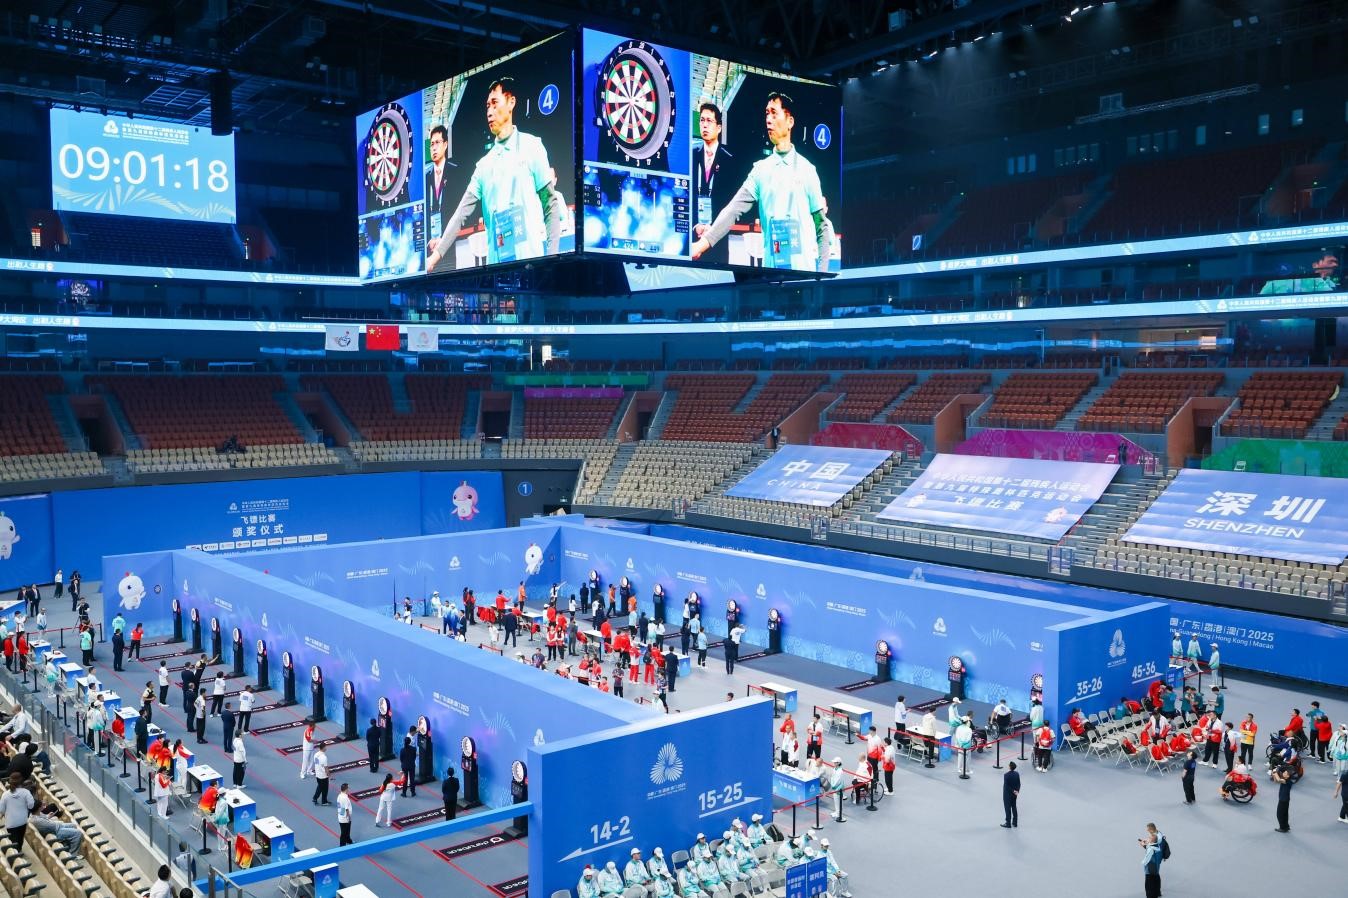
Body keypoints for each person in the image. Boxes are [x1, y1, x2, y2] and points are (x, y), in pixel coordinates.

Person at [426, 77, 565, 272]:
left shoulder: (533, 146)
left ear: (511, 102)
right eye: (487, 106)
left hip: (532, 268)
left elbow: (550, 205)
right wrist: (434, 258)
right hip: (497, 272)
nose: (489, 112)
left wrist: (551, 258)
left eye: (494, 103)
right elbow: (460, 214)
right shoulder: (483, 165)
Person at [691, 92, 835, 273]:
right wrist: (701, 245)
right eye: (767, 113)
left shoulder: (808, 170)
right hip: (771, 276)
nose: (768, 119)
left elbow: (822, 228)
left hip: (803, 276)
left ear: (790, 121)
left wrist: (820, 276)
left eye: (774, 113)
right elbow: (732, 210)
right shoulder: (760, 170)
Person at [1, 772, 34, 850]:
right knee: (20, 839)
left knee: (14, 841)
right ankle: (19, 850)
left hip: (11, 823)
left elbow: (1, 809)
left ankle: (16, 853)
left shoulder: (5, 794)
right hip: (22, 821)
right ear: (22, 781)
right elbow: (31, 806)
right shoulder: (26, 792)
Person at [1139, 825, 1163, 898]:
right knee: (1155, 882)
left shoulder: (1152, 847)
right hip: (1155, 868)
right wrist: (1144, 844)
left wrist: (1144, 844)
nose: (1148, 839)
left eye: (1150, 838)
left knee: (1149, 886)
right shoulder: (1157, 846)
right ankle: (1156, 893)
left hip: (1150, 869)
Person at [1273, 764, 1294, 832]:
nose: (1284, 773)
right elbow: (1275, 781)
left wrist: (1275, 772)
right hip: (1284, 799)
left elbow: (1279, 780)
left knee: (1279, 814)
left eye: (1285, 773)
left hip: (1283, 800)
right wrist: (1274, 774)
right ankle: (1286, 826)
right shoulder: (1285, 779)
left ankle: (1282, 828)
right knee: (1284, 814)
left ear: (1288, 776)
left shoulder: (1287, 781)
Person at [1001, 760, 1020, 828]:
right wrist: (1017, 791)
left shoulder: (1006, 775)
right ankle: (1015, 822)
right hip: (1014, 794)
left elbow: (1007, 786)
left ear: (1010, 767)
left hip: (1007, 795)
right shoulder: (1017, 774)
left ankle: (1008, 823)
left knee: (1007, 809)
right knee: (1014, 807)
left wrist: (1013, 791)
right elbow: (1019, 783)